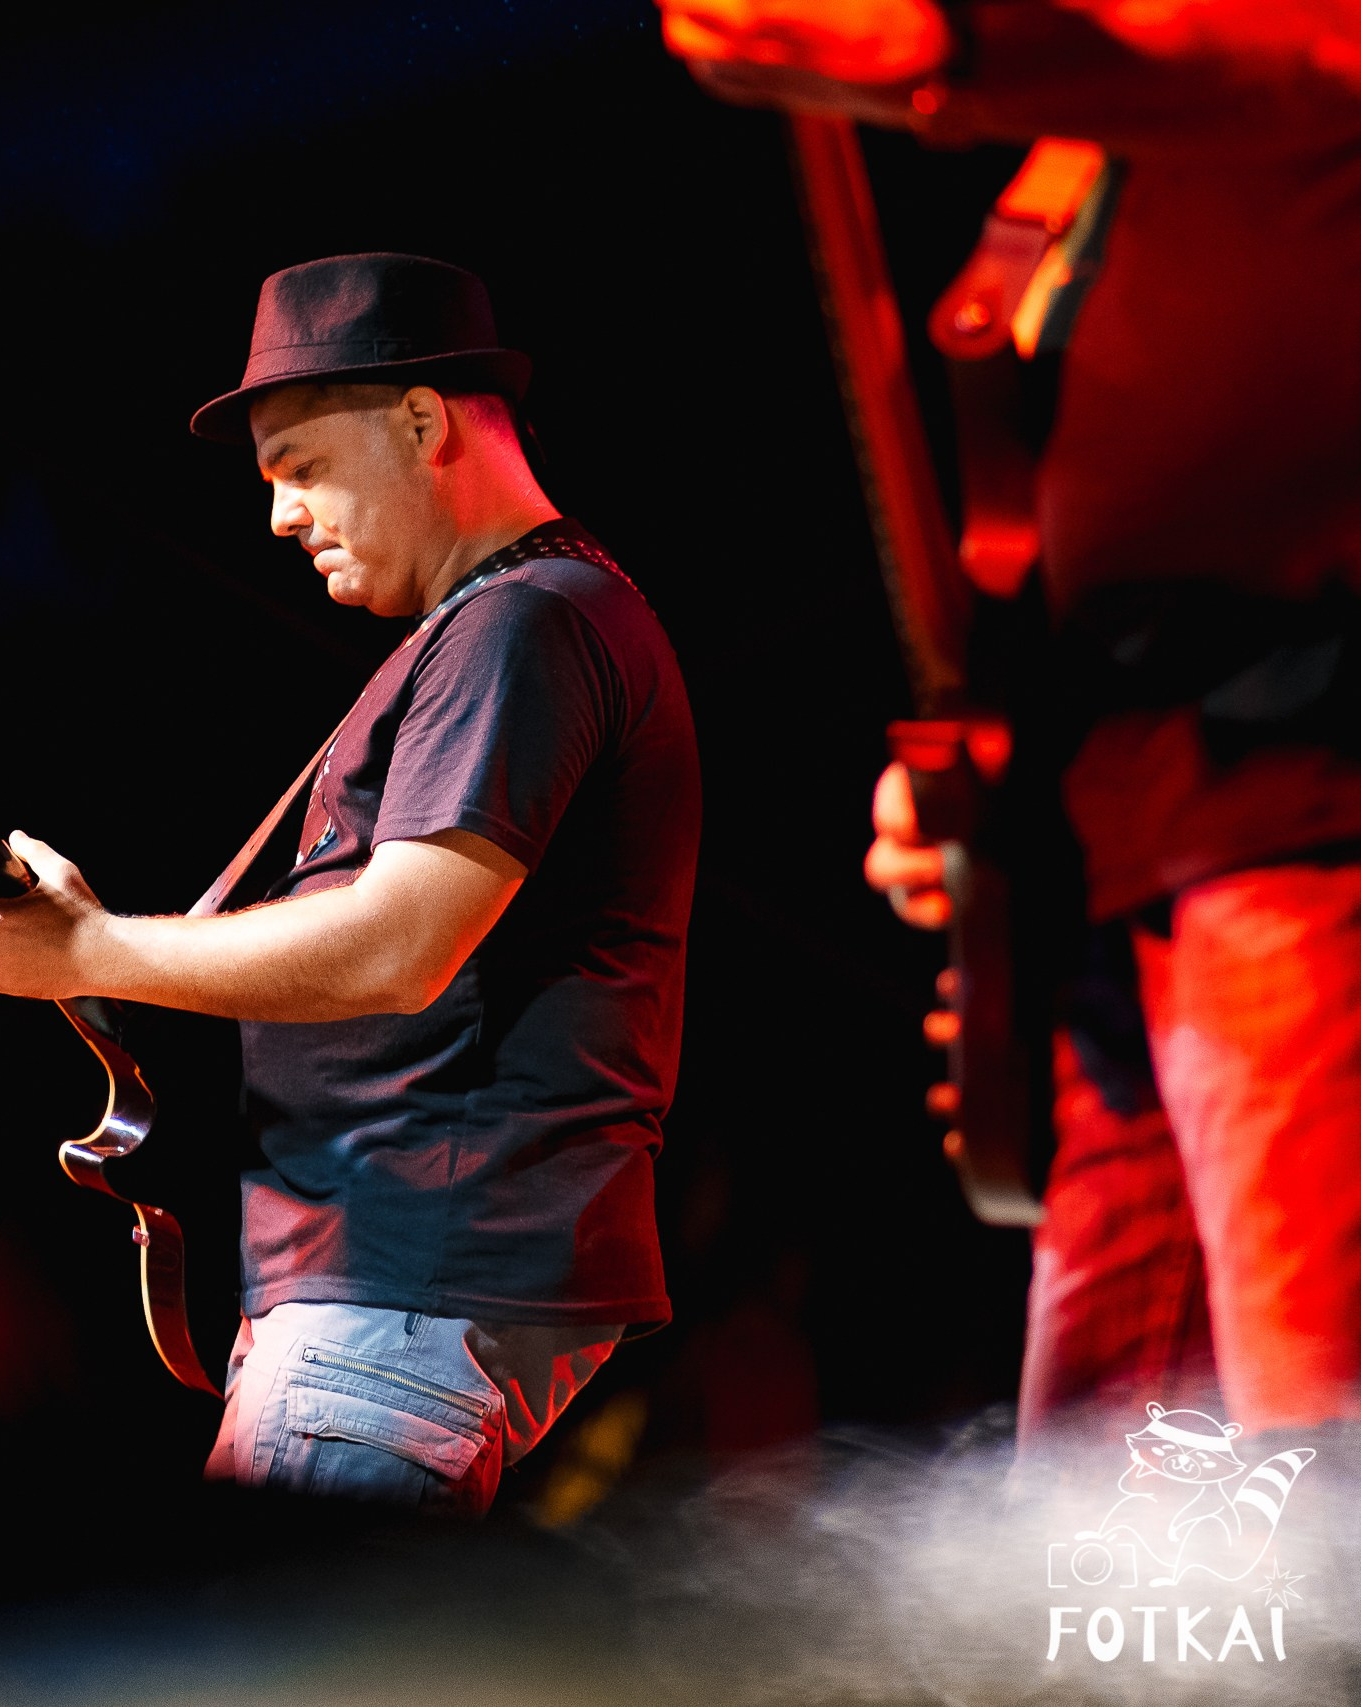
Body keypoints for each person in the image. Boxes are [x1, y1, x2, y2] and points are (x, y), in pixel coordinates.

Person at [658, 0, 1361, 1450]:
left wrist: (924, 38)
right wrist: (998, 773)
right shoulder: (1077, 161)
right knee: (1106, 1528)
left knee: (1316, 1460)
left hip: (1298, 819)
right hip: (1128, 866)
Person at [0, 254, 699, 1513]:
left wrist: (87, 952)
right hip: (394, 1304)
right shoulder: (525, 620)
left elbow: (399, 946)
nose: (278, 516)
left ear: (419, 420)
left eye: (298, 466)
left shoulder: (523, 621)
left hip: (399, 1301)